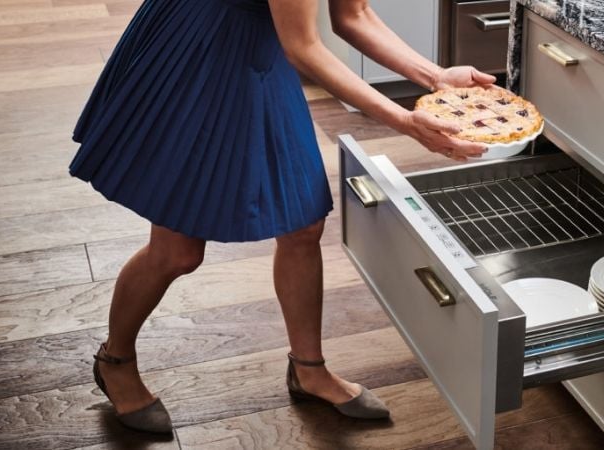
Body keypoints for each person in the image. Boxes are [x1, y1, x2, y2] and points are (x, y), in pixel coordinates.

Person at [69, 0, 496, 433]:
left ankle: (309, 370)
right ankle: (115, 360)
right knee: (178, 251)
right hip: (203, 47)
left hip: (264, 44)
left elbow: (354, 14)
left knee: (303, 225)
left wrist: (436, 76)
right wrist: (403, 120)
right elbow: (304, 47)